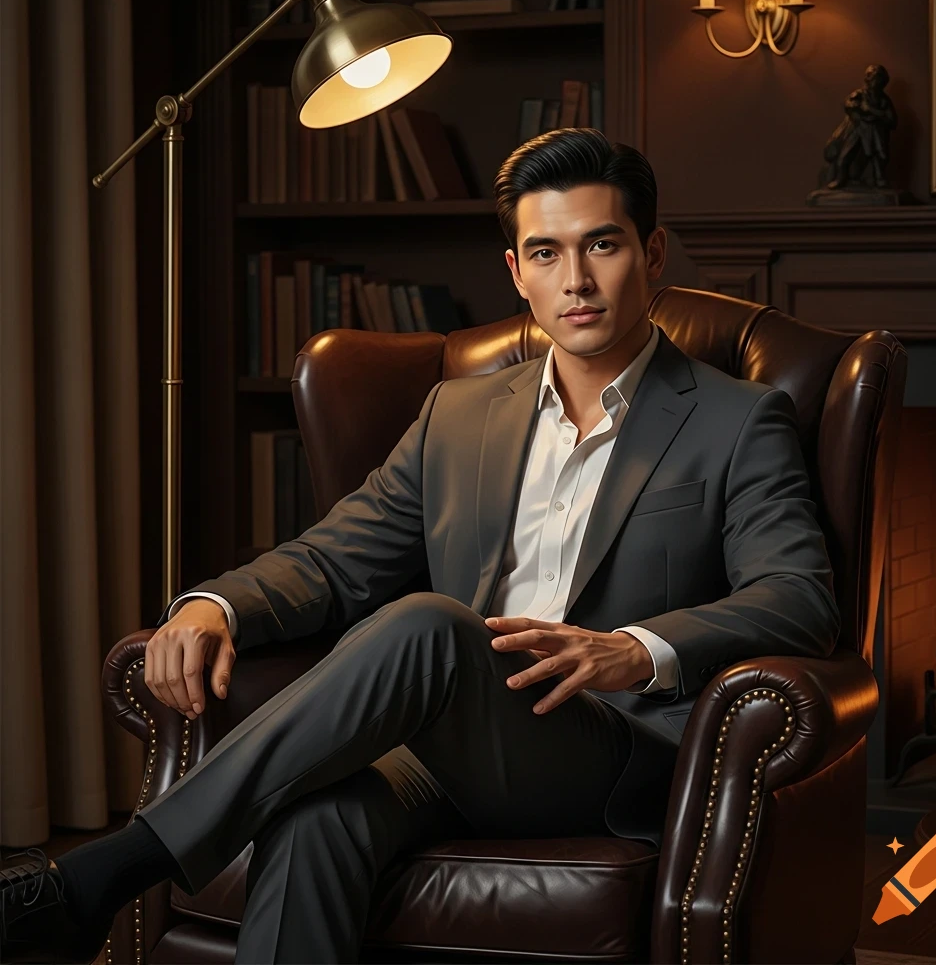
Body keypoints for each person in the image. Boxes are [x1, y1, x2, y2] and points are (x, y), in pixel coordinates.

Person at [0, 127, 841, 964]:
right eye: (545, 253)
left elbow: (798, 596)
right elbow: (334, 559)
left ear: (651, 254)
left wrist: (633, 649)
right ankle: (103, 885)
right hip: (451, 744)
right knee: (316, 813)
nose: (576, 280)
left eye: (602, 245)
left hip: (611, 753)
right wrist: (215, 606)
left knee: (431, 625)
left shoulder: (737, 419)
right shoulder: (458, 414)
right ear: (516, 272)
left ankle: (105, 875)